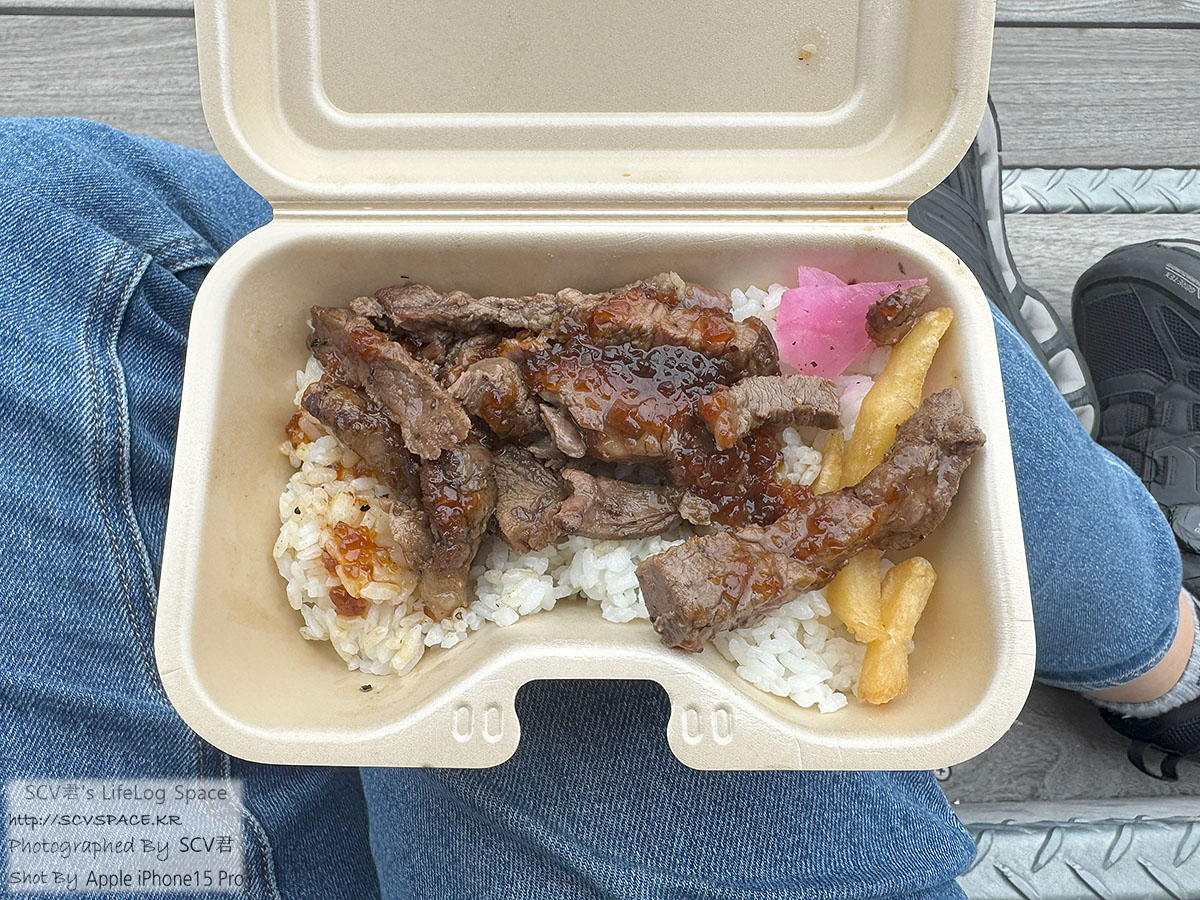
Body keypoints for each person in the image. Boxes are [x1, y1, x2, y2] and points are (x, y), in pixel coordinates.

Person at [1, 109, 1197, 900]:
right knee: (954, 360)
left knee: (33, 210)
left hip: (140, 857)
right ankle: (1164, 654)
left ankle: (1148, 637)